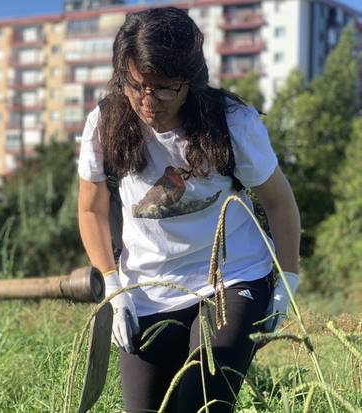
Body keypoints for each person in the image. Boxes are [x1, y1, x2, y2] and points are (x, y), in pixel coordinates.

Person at [77, 7, 300, 413]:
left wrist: (288, 278)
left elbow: (279, 202)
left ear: (191, 81)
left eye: (164, 88)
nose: (148, 101)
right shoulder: (104, 124)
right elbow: (91, 210)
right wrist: (113, 285)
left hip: (231, 277)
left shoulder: (232, 122)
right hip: (146, 289)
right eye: (136, 85)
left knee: (200, 404)